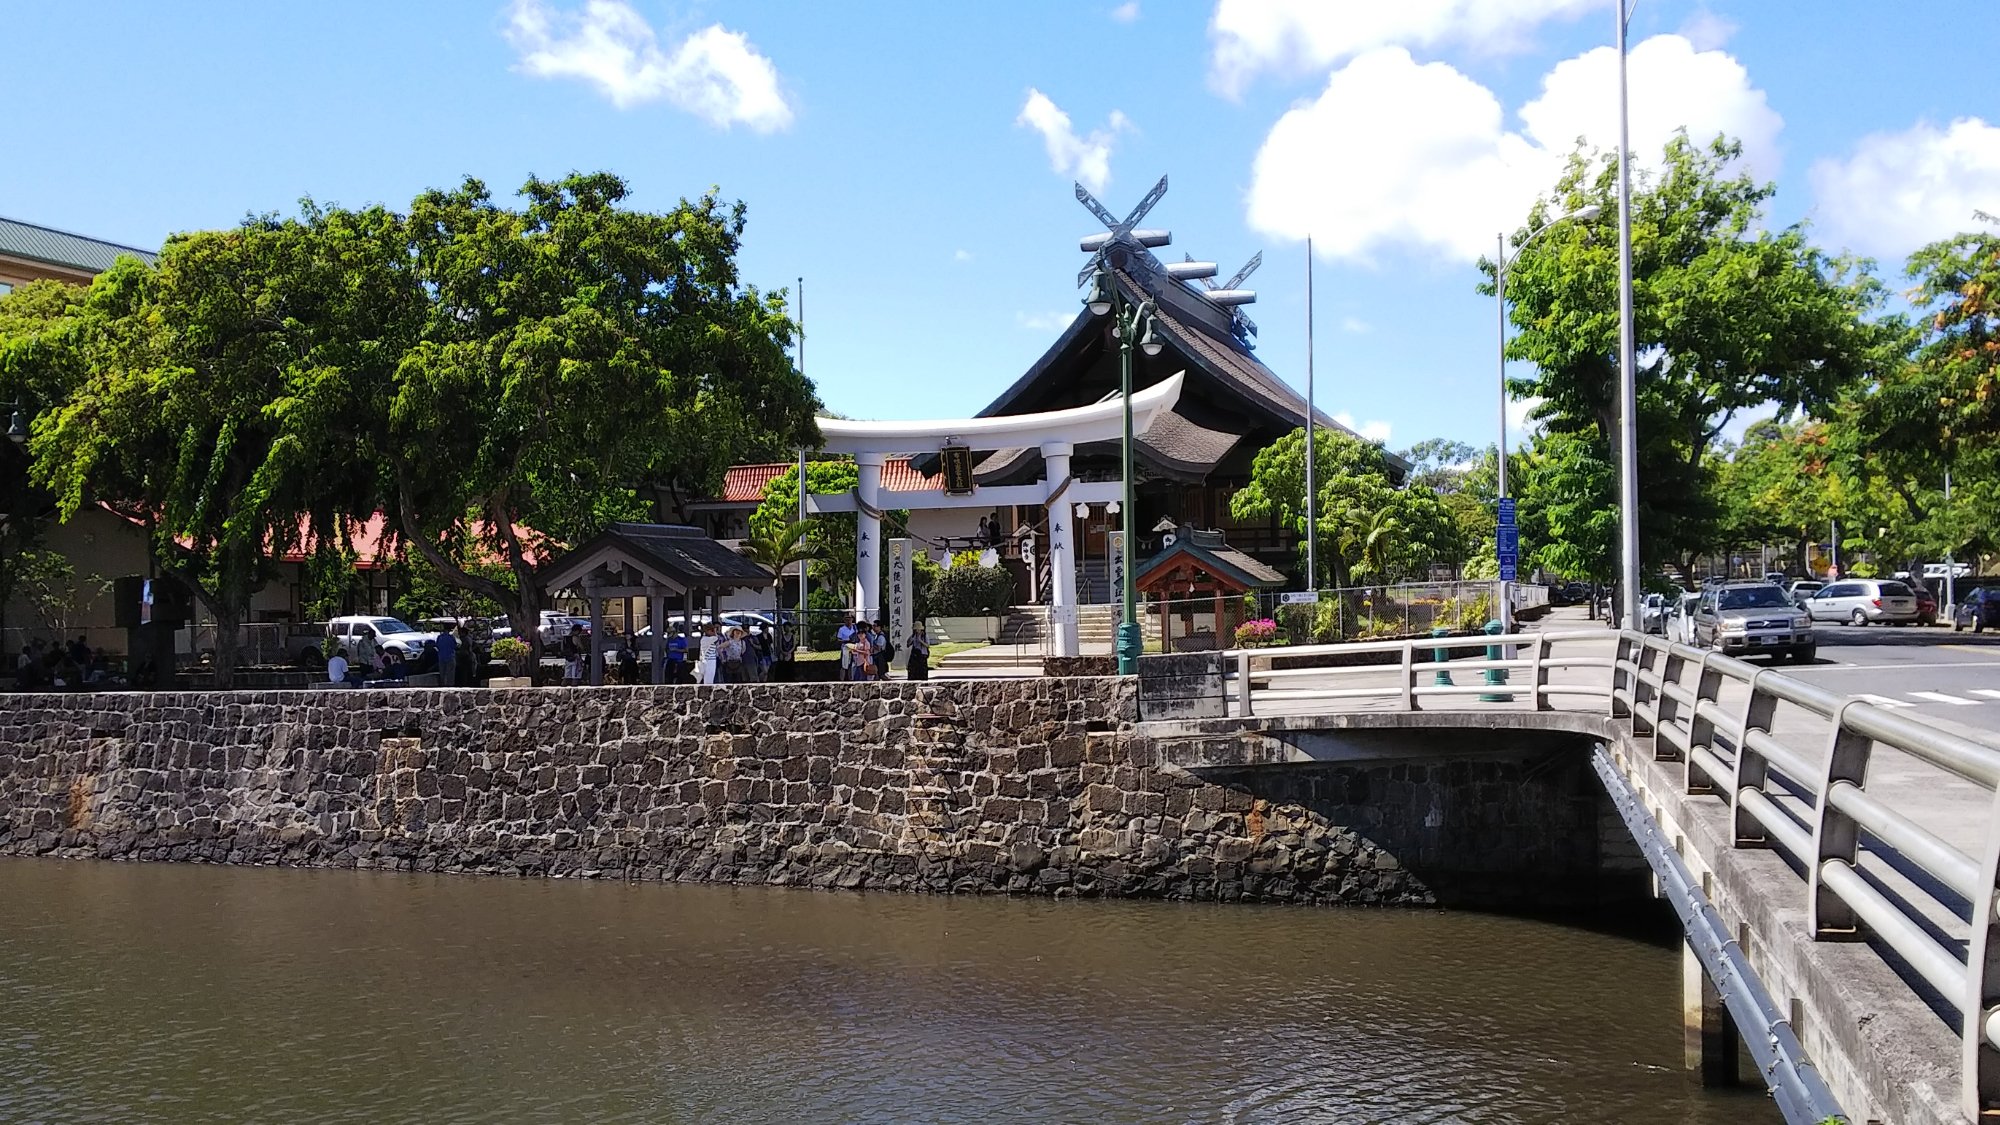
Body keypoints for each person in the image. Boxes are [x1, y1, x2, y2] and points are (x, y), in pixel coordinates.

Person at [434, 621, 459, 687]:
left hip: (441, 657)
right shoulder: (451, 637)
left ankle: (443, 685)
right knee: (450, 674)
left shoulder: (439, 637)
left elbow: (437, 646)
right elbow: (455, 646)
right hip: (450, 657)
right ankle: (450, 686)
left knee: (442, 673)